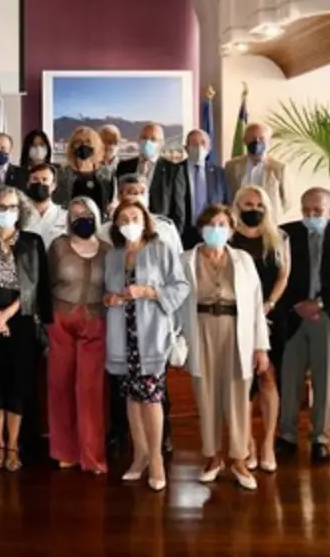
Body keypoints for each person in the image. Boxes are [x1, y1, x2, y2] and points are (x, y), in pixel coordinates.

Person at [179, 204, 270, 490]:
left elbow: (256, 305)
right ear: (201, 228)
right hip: (201, 326)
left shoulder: (243, 259)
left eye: (222, 224)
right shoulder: (185, 259)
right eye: (210, 224)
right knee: (205, 394)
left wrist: (260, 347)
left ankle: (239, 459)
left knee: (238, 395)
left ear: (231, 230)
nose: (216, 230)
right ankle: (212, 457)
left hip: (236, 330)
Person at [102, 198, 190, 491]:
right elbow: (107, 292)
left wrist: (148, 291)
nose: (129, 224)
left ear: (145, 220)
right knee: (131, 397)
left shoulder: (161, 249)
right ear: (116, 225)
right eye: (123, 219)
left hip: (151, 332)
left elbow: (180, 287)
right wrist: (110, 299)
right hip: (122, 332)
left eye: (134, 217)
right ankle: (139, 456)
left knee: (151, 397)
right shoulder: (113, 255)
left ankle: (156, 460)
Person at [0, 186, 49, 471]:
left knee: (18, 384)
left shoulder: (33, 242)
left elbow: (36, 285)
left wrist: (8, 315)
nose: (6, 212)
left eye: (12, 207)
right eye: (1, 207)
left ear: (21, 211)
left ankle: (13, 444)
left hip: (21, 320)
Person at [275, 187, 330, 464]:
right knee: (289, 378)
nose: (311, 216)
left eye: (317, 211)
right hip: (294, 315)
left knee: (323, 380)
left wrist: (319, 304)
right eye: (306, 210)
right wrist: (297, 305)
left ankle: (320, 437)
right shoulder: (285, 233)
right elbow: (277, 274)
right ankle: (287, 436)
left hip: (327, 316)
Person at [47, 197, 111, 474]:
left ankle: (92, 455)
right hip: (61, 321)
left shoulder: (108, 250)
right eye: (74, 214)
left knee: (90, 390)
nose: (80, 218)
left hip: (95, 323)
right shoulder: (58, 247)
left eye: (85, 213)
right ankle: (64, 451)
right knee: (59, 386)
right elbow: (46, 282)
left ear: (96, 216)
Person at [229, 185, 290, 472]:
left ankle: (267, 443)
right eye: (247, 204)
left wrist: (269, 304)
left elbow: (283, 275)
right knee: (242, 384)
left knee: (268, 379)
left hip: (268, 315)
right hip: (236, 318)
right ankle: (248, 444)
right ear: (237, 205)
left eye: (258, 204)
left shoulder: (279, 237)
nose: (253, 209)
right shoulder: (228, 235)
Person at [115, 123, 187, 230]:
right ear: (139, 140)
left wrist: (173, 237)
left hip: (159, 230)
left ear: (161, 143)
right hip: (128, 227)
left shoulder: (173, 171)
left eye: (153, 139)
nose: (147, 142)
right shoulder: (123, 166)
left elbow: (179, 212)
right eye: (144, 138)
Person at [224, 122, 288, 219]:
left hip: (267, 221)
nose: (257, 141)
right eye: (252, 138)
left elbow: (287, 201)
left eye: (262, 138)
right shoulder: (231, 166)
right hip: (238, 221)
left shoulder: (279, 168)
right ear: (244, 140)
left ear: (268, 141)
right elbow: (226, 195)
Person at [182, 129, 230, 247]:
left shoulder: (220, 174)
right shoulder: (175, 172)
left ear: (209, 148)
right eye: (194, 143)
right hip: (183, 232)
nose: (198, 147)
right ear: (186, 148)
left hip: (213, 231)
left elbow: (226, 204)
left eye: (203, 143)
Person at [114, 174, 183, 254]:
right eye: (133, 192)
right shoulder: (107, 231)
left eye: (143, 193)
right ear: (119, 196)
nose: (139, 197)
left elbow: (179, 258)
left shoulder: (166, 228)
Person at [52, 126, 111, 212]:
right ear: (72, 147)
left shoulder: (106, 173)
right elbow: (57, 202)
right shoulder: (63, 173)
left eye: (88, 142)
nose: (83, 145)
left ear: (96, 145)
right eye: (78, 142)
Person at [22, 162, 67, 249]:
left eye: (44, 179)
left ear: (53, 186)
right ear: (28, 184)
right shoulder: (18, 214)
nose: (40, 183)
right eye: (35, 179)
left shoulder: (64, 216)